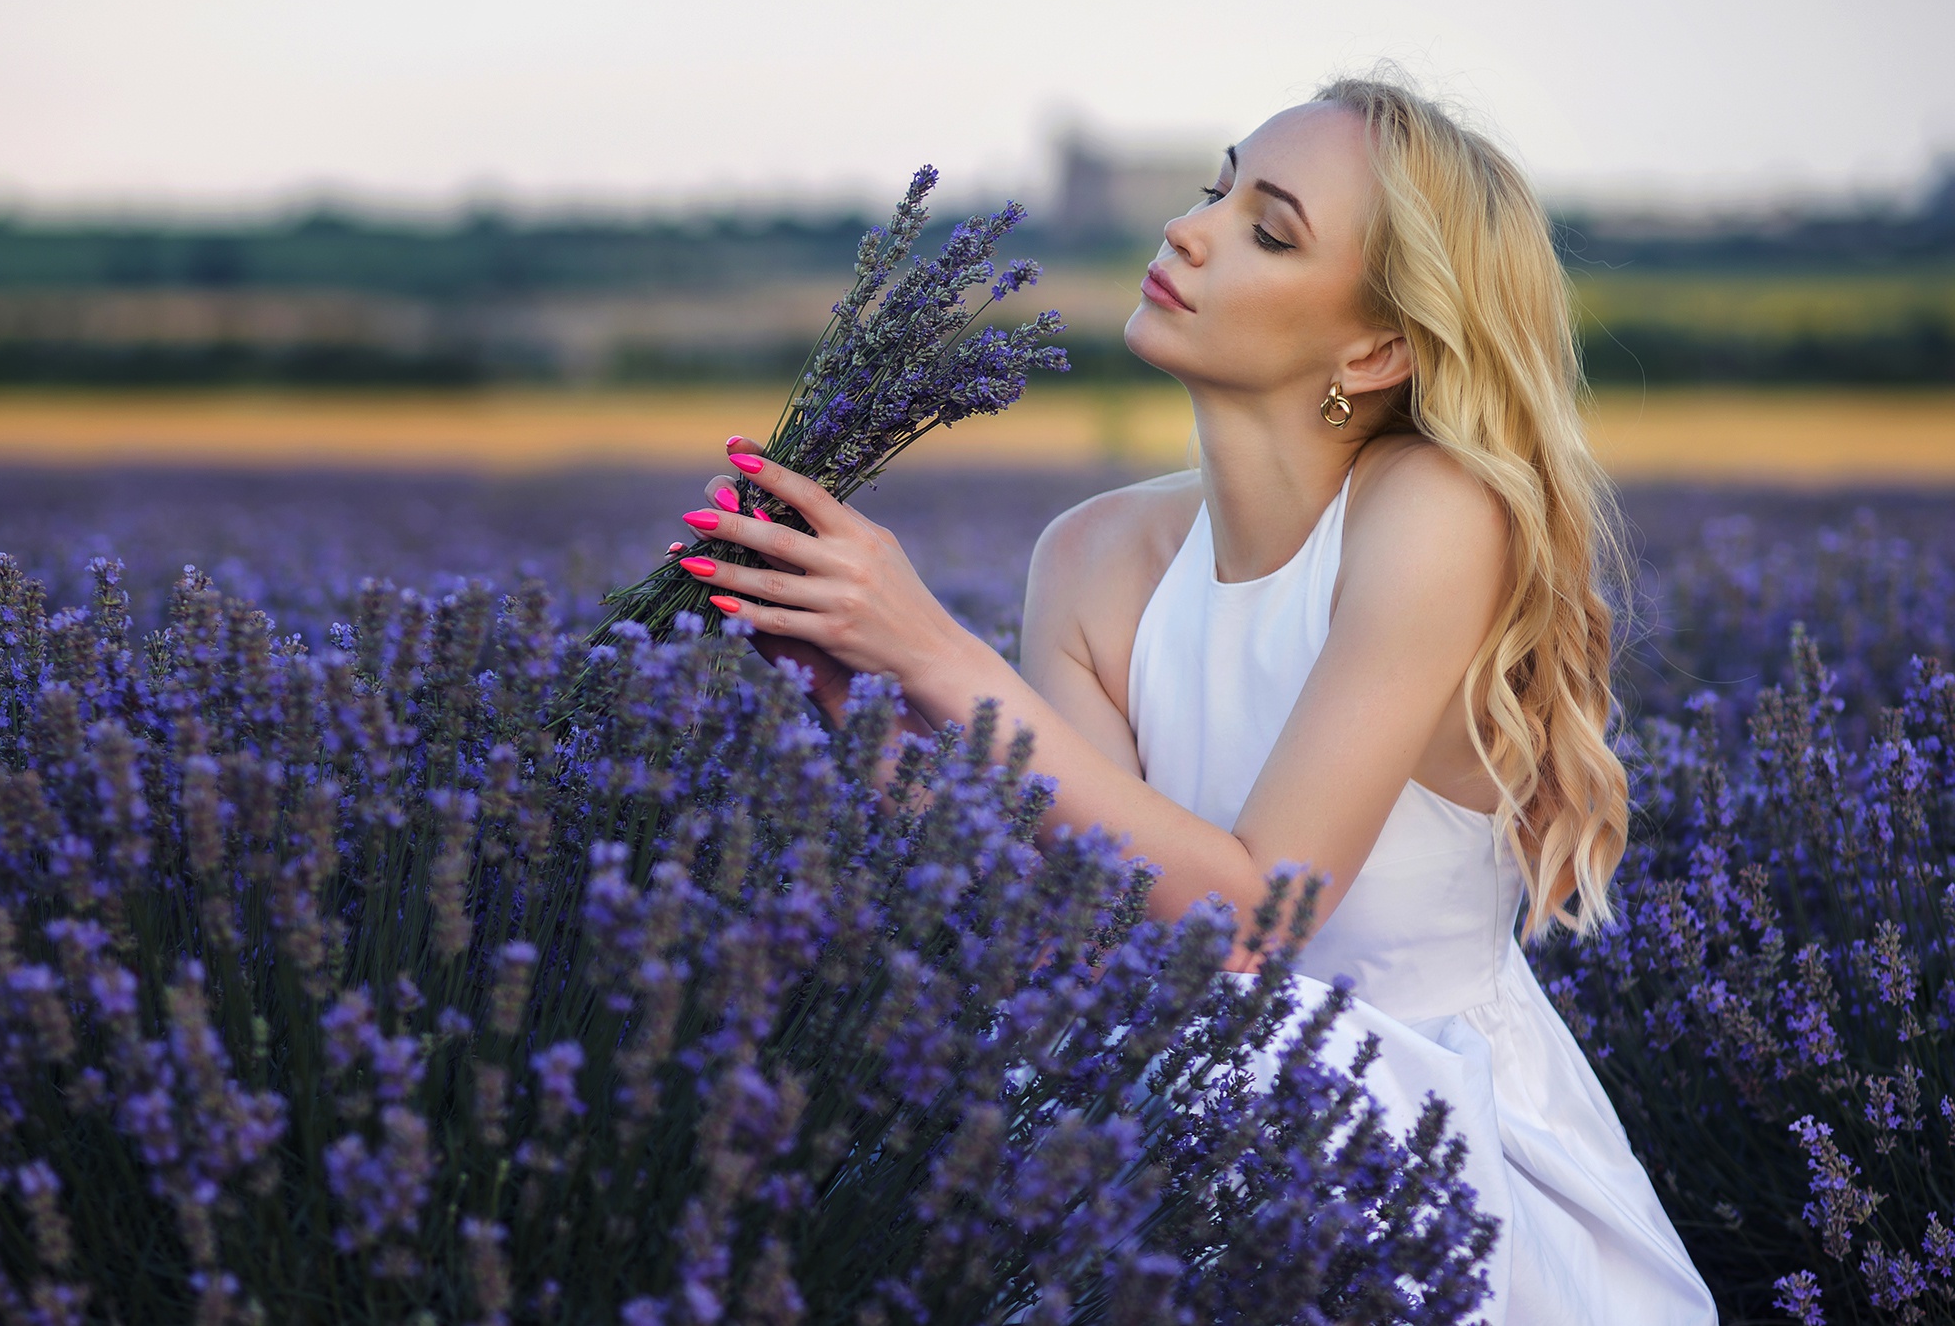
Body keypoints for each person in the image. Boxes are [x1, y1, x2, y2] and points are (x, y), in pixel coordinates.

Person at [669, 75, 1717, 1323]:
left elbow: (1250, 919)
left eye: (1267, 227)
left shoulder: (1434, 514)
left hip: (1425, 1156)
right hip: (1174, 1103)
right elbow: (1077, 930)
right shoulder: (1092, 552)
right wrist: (859, 704)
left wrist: (941, 657)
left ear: (1373, 349)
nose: (1189, 226)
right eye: (1217, 185)